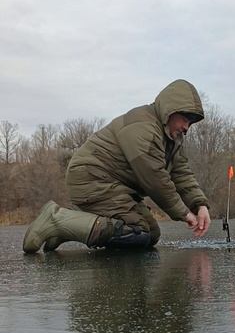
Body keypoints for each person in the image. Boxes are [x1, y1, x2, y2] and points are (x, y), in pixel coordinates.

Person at [23, 79, 211, 252]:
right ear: (171, 110)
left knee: (151, 235)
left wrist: (200, 205)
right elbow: (155, 180)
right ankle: (56, 219)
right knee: (137, 232)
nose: (187, 127)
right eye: (185, 120)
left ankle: (68, 229)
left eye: (191, 123)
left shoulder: (172, 138)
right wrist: (184, 213)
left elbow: (181, 174)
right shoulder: (143, 127)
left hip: (114, 186)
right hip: (92, 177)